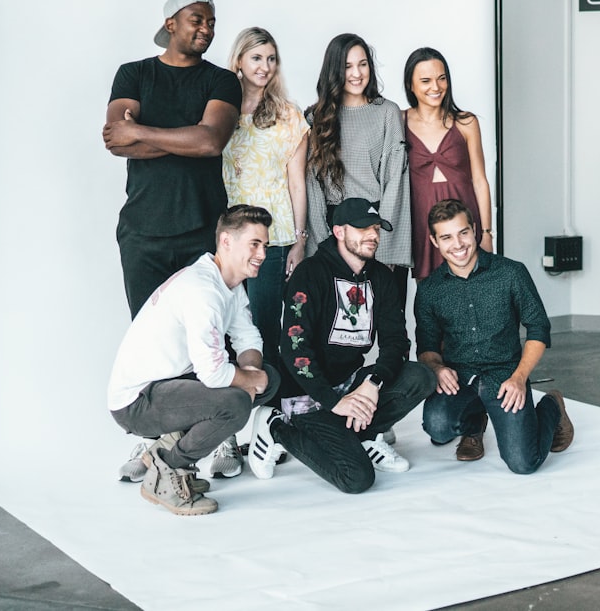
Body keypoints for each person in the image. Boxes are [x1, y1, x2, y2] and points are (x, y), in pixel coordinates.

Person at [249, 198, 434, 492]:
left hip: (350, 384)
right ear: (339, 231)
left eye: (376, 228)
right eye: (362, 228)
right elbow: (296, 350)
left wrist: (372, 383)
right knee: (356, 478)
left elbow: (396, 341)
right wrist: (334, 402)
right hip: (307, 394)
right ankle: (276, 427)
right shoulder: (309, 274)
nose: (372, 235)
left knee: (420, 376)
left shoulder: (381, 278)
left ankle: (364, 434)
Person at [107, 205, 281, 516]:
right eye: (254, 244)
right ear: (226, 241)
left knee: (267, 378)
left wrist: (253, 372)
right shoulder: (203, 291)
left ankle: (167, 445)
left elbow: (248, 338)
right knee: (235, 404)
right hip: (137, 400)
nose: (262, 254)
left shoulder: (228, 283)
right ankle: (168, 469)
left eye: (265, 245)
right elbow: (213, 374)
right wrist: (250, 382)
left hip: (170, 383)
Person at [103, 0, 241, 318]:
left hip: (204, 232)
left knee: (206, 340)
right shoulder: (133, 74)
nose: (206, 29)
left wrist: (137, 130)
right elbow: (116, 141)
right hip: (142, 234)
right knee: (152, 343)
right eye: (197, 20)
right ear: (170, 24)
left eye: (211, 22)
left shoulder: (222, 81)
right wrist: (188, 137)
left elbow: (210, 143)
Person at [414, 199, 574, 473]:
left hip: (505, 376)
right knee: (438, 428)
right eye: (447, 237)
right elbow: (427, 346)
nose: (458, 244)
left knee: (524, 463)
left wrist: (520, 378)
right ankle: (475, 423)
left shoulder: (511, 273)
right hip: (460, 377)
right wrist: (437, 368)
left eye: (463, 232)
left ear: (474, 229)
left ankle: (552, 407)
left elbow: (538, 328)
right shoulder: (430, 290)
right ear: (434, 241)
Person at [223, 27, 309, 367]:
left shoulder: (288, 115)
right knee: (229, 323)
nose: (265, 66)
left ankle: (271, 406)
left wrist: (300, 241)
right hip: (230, 235)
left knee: (264, 324)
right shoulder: (221, 111)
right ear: (239, 62)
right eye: (257, 58)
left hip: (273, 237)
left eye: (271, 59)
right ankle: (240, 405)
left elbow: (297, 183)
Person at [305, 33, 411, 306]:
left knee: (388, 319)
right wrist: (322, 245)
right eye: (348, 66)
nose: (356, 73)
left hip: (376, 224)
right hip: (334, 229)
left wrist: (385, 246)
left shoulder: (387, 112)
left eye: (363, 64)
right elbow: (312, 186)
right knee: (335, 322)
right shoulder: (315, 117)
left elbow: (395, 181)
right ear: (334, 70)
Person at [403, 47, 493, 280]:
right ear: (411, 85)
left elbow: (480, 181)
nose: (436, 87)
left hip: (465, 219)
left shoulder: (466, 122)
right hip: (422, 223)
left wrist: (486, 233)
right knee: (430, 295)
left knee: (474, 290)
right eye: (425, 80)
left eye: (441, 78)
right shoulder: (398, 121)